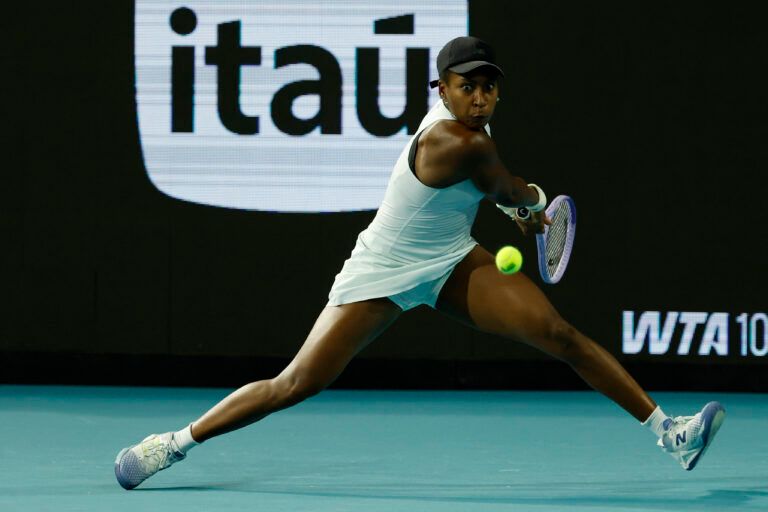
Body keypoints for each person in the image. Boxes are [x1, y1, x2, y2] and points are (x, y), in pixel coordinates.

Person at [114, 36, 725, 490]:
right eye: (466, 86)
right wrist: (531, 204)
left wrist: (517, 207)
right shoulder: (455, 141)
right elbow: (508, 187)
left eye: (488, 87)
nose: (479, 98)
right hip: (382, 270)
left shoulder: (472, 134)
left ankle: (669, 432)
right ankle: (173, 443)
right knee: (294, 385)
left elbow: (495, 190)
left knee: (558, 333)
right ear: (442, 89)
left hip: (452, 260)